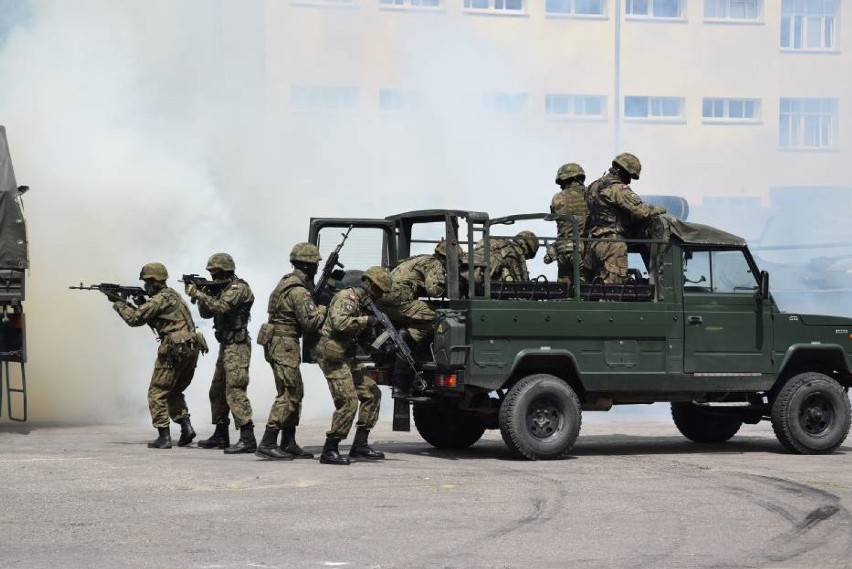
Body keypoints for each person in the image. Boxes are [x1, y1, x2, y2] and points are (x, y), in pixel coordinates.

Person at [111, 262, 206, 449]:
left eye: (147, 283)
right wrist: (139, 303)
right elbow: (155, 316)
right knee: (174, 391)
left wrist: (118, 303)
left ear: (154, 281)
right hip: (191, 346)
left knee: (157, 392)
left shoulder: (159, 299)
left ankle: (164, 436)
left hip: (174, 348)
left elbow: (135, 319)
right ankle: (186, 427)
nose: (146, 287)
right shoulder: (172, 295)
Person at [255, 243, 327, 460]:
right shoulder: (299, 291)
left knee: (296, 391)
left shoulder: (286, 282)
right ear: (308, 266)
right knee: (288, 393)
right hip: (284, 344)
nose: (316, 269)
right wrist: (323, 306)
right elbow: (310, 323)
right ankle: (268, 442)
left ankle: (288, 441)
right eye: (314, 265)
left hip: (280, 343)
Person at [314, 266, 392, 465]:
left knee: (372, 393)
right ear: (372, 286)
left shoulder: (365, 302)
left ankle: (360, 445)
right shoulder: (347, 297)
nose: (381, 296)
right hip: (332, 356)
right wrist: (367, 320)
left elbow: (361, 336)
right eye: (380, 291)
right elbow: (341, 324)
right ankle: (330, 449)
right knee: (349, 402)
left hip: (347, 355)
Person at [185, 252, 257, 454]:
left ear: (226, 270)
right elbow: (207, 313)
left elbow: (222, 307)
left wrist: (198, 293)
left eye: (215, 272)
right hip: (226, 345)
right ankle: (221, 434)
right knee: (217, 391)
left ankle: (247, 437)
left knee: (235, 390)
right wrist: (203, 293)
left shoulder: (238, 287)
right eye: (210, 272)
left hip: (238, 345)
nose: (213, 276)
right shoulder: (221, 289)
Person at [380, 240, 460, 397]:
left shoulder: (418, 258)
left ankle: (400, 383)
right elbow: (434, 291)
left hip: (386, 303)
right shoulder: (434, 264)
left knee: (411, 338)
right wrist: (449, 282)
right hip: (400, 302)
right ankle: (402, 337)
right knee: (440, 317)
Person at [584, 153, 665, 284]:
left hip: (593, 244)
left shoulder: (593, 186)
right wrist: (659, 209)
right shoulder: (617, 188)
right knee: (612, 294)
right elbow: (641, 212)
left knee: (598, 289)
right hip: (612, 246)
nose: (630, 180)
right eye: (629, 175)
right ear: (621, 170)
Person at [545, 163, 589, 286]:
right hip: (579, 249)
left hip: (561, 250)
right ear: (578, 177)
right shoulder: (587, 194)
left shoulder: (557, 198)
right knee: (583, 288)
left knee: (564, 289)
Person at [471, 230, 539, 284]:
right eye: (528, 255)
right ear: (526, 247)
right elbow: (523, 284)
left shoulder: (492, 239)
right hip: (478, 277)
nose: (526, 257)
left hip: (465, 265)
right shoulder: (517, 252)